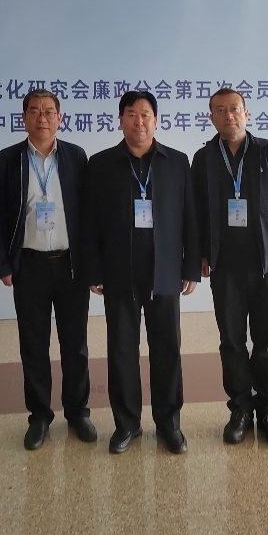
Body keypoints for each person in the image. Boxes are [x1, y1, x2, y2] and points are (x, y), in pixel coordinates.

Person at [85, 90, 199, 455]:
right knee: (121, 351)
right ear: (120, 120)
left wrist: (191, 266)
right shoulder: (101, 164)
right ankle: (127, 425)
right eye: (132, 114)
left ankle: (169, 424)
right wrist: (93, 268)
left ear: (156, 120)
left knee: (167, 350)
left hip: (165, 272)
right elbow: (90, 222)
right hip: (119, 273)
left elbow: (190, 217)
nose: (139, 121)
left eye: (146, 114)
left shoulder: (177, 162)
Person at [0, 89, 96, 450]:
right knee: (33, 344)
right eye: (34, 111)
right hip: (29, 265)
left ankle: (78, 412)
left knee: (75, 344)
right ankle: (39, 416)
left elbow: (88, 216)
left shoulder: (76, 157)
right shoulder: (7, 160)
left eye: (49, 111)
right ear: (24, 118)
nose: (42, 118)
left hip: (70, 266)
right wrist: (2, 263)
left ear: (60, 118)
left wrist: (92, 265)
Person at [191, 88, 268, 446]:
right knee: (232, 342)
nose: (229, 116)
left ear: (247, 113)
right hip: (225, 268)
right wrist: (201, 253)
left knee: (267, 342)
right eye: (220, 110)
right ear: (212, 118)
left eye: (235, 109)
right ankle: (239, 410)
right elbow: (196, 212)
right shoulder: (204, 159)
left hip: (265, 265)